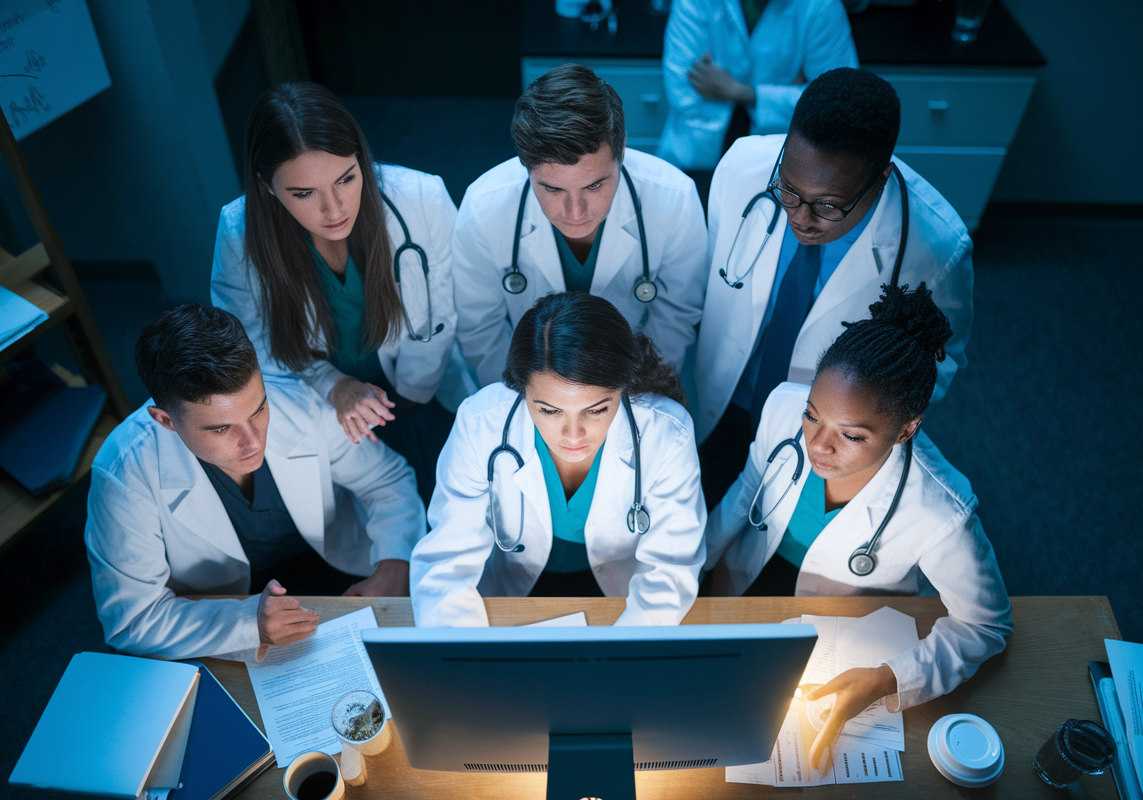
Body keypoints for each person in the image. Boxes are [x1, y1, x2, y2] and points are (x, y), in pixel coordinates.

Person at [705, 283, 1011, 770]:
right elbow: (747, 492)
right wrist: (688, 569)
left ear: (907, 428)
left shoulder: (940, 508)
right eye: (814, 416)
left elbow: (988, 625)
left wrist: (887, 678)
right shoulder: (784, 406)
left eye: (851, 435)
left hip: (836, 633)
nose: (818, 446)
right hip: (746, 588)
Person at [694, 67, 973, 503]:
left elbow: (937, 365)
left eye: (829, 206)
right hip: (721, 393)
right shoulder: (741, 167)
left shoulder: (935, 248)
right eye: (788, 190)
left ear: (880, 179)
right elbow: (704, 280)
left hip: (823, 434)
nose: (800, 218)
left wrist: (862, 435)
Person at [86, 305, 426, 660]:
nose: (252, 442)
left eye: (258, 410)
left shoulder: (297, 400)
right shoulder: (123, 473)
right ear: (166, 421)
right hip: (224, 607)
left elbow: (387, 481)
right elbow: (133, 620)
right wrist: (249, 626)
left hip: (338, 569)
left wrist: (395, 564)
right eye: (221, 428)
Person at [211, 82, 466, 504]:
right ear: (265, 187)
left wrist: (408, 398)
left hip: (425, 388)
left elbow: (445, 312)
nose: (335, 210)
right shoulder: (240, 233)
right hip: (314, 399)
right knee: (366, 514)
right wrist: (332, 384)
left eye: (346, 179)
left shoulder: (422, 199)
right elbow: (245, 341)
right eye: (304, 193)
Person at [410, 293, 706, 627]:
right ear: (521, 389)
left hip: (623, 598)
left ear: (624, 388)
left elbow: (669, 570)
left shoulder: (666, 432)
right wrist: (458, 656)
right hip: (511, 594)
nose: (574, 434)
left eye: (596, 410)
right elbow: (447, 562)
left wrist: (625, 654)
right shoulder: (481, 424)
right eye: (549, 411)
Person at [450, 64, 707, 405]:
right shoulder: (483, 209)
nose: (576, 213)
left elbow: (675, 318)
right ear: (524, 164)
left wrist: (630, 403)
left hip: (637, 388)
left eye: (595, 184)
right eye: (552, 189)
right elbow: (481, 331)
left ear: (623, 149)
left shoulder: (675, 199)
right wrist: (532, 406)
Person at [656, 0, 858, 172]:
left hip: (786, 164)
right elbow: (683, 90)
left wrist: (743, 93)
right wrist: (792, 95)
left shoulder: (821, 6)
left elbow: (838, 102)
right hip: (696, 157)